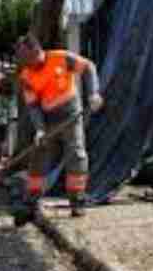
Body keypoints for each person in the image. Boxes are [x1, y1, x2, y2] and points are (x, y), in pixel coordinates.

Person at [13, 33, 104, 226]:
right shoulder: (26, 76)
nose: (27, 63)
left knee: (76, 154)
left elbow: (88, 67)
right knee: (38, 156)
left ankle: (77, 200)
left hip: (71, 114)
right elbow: (33, 106)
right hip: (47, 120)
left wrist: (93, 93)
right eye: (23, 60)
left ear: (37, 50)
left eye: (28, 58)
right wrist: (39, 129)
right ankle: (31, 200)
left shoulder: (61, 58)